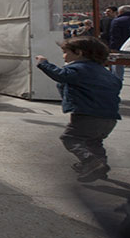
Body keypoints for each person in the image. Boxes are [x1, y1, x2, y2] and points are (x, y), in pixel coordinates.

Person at [35, 37, 122, 182]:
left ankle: (91, 162)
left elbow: (61, 76)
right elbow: (117, 86)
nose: (64, 56)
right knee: (94, 142)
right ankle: (99, 167)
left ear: (79, 52)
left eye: (65, 52)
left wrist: (44, 64)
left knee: (70, 138)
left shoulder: (78, 69)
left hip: (87, 115)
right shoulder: (106, 73)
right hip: (110, 117)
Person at [109, 5, 130, 81]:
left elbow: (115, 36)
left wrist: (113, 48)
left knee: (118, 66)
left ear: (120, 12)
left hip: (122, 47)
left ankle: (117, 81)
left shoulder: (117, 21)